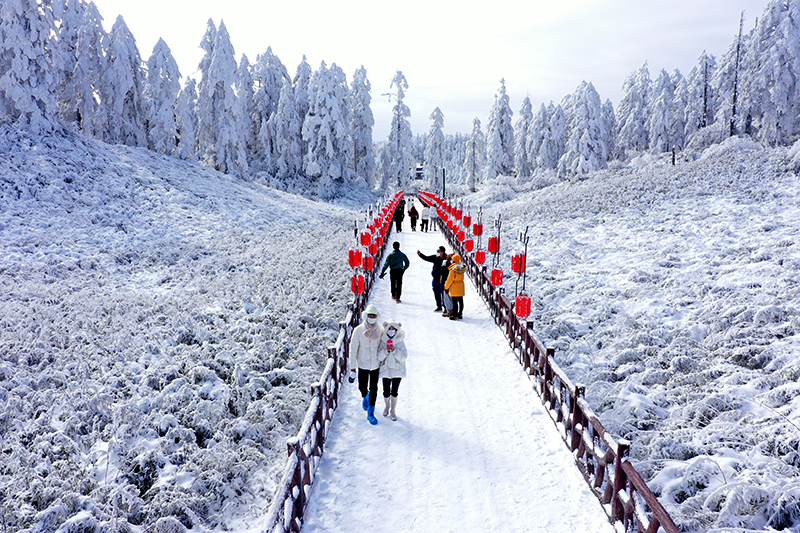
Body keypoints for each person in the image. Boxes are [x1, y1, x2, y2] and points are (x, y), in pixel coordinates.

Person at [349, 303, 383, 425]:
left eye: (374, 315)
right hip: (362, 364)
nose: (372, 317)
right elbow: (353, 349)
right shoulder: (358, 330)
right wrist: (352, 367)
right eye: (370, 315)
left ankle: (371, 411)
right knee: (362, 386)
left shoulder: (380, 330)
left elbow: (382, 346)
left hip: (375, 364)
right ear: (366, 316)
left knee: (374, 388)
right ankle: (365, 395)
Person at [378, 319, 407, 421]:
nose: (391, 330)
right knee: (386, 391)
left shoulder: (400, 341)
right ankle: (387, 406)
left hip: (397, 370)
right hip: (386, 370)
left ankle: (393, 410)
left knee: (394, 391)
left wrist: (395, 351)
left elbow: (404, 357)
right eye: (389, 328)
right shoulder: (382, 341)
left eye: (393, 329)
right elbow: (379, 357)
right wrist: (386, 351)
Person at [417, 246, 447, 311]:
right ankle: (439, 306)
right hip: (435, 279)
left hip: (443, 280)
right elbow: (427, 258)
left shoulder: (446, 259)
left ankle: (445, 307)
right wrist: (420, 255)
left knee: (443, 294)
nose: (437, 252)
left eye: (438, 251)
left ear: (442, 252)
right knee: (436, 292)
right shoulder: (435, 257)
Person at [444, 254, 467, 320]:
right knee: (460, 301)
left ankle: (455, 315)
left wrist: (446, 287)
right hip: (461, 285)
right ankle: (460, 314)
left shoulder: (453, 269)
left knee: (455, 302)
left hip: (454, 286)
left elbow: (449, 279)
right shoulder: (462, 267)